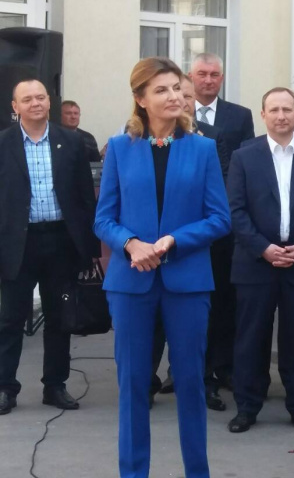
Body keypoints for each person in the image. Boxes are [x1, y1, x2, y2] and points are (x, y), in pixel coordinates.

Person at [95, 57, 231, 477]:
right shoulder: (119, 148)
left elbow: (219, 218)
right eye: (161, 90)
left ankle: (197, 472)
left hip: (187, 281)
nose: (174, 96)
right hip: (130, 282)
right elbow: (103, 218)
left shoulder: (203, 148)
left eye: (176, 88)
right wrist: (130, 243)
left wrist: (174, 240)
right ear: (140, 99)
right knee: (133, 386)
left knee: (190, 383)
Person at [227, 87, 294, 434]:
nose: (281, 116)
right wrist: (263, 248)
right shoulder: (244, 156)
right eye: (273, 110)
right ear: (263, 115)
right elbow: (236, 211)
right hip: (255, 262)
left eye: (287, 109)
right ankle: (247, 406)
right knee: (250, 338)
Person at [0, 79, 100, 415]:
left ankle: (55, 385)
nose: (35, 103)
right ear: (15, 107)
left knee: (59, 318)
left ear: (49, 102)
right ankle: (5, 387)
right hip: (18, 242)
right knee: (10, 319)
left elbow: (85, 197)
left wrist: (89, 248)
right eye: (27, 99)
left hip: (61, 241)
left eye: (40, 97)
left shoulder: (70, 141)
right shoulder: (3, 144)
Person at [149, 75, 231, 408]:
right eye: (173, 93)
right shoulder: (137, 140)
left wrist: (184, 236)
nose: (180, 100)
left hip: (197, 245)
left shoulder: (209, 139)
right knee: (153, 321)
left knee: (200, 321)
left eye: (185, 95)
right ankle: (147, 381)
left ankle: (202, 380)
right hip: (148, 249)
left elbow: (220, 189)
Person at [189, 53, 254, 397]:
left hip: (225, 221)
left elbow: (244, 168)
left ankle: (223, 366)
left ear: (222, 78)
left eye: (214, 74)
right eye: (202, 73)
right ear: (191, 77)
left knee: (225, 299)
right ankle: (187, 370)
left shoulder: (239, 116)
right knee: (190, 300)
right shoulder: (178, 112)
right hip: (186, 221)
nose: (208, 80)